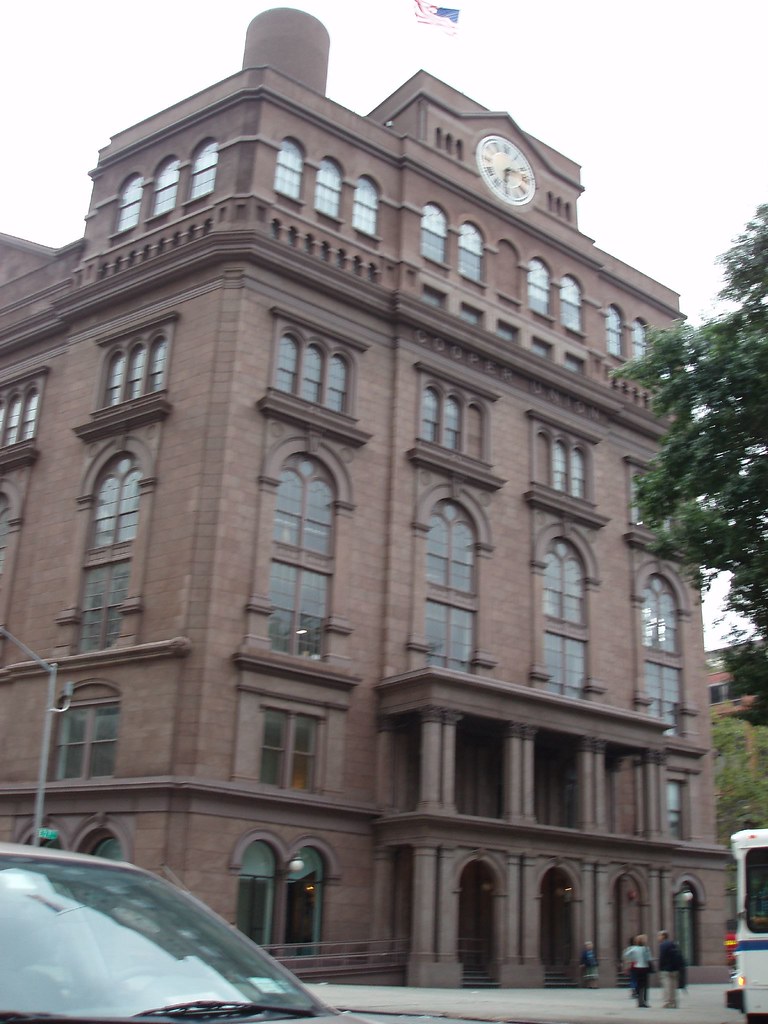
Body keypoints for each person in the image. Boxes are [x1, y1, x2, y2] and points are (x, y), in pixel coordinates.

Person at [658, 930, 685, 1008]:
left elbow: (662, 957)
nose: (658, 938)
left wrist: (660, 967)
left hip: (666, 969)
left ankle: (668, 1002)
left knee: (667, 986)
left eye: (659, 936)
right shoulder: (673, 944)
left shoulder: (663, 945)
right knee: (673, 987)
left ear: (663, 936)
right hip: (675, 968)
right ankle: (674, 1002)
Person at [627, 933, 653, 1007]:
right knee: (645, 986)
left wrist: (634, 959)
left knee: (639, 985)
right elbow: (649, 958)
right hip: (644, 968)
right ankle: (644, 1001)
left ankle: (639, 1001)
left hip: (637, 967)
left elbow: (627, 954)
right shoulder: (646, 948)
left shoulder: (634, 948)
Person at [622, 935, 638, 1000]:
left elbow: (625, 958)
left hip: (630, 965)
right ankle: (636, 991)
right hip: (638, 965)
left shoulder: (627, 949)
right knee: (636, 979)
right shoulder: (637, 948)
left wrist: (625, 967)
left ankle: (633, 990)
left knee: (632, 979)